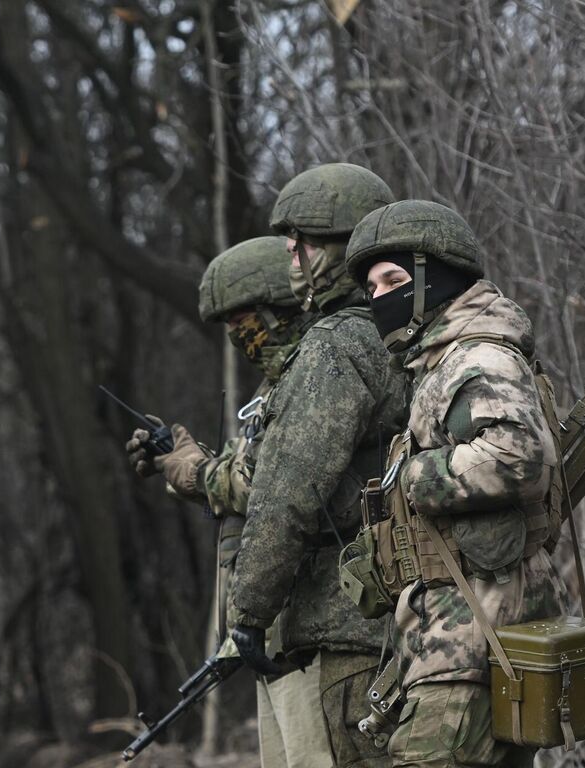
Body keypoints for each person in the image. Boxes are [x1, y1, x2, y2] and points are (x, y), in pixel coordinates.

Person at [341, 200, 570, 768]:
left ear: (434, 279)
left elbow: (518, 456)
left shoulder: (477, 357)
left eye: (393, 280)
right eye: (371, 287)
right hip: (469, 631)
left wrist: (415, 479)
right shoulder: (448, 360)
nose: (379, 300)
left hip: (471, 636)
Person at [222, 163, 406, 768]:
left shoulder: (337, 345)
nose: (291, 256)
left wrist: (247, 611)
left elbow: (287, 492)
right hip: (399, 626)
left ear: (339, 248)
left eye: (302, 240)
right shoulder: (405, 333)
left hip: (344, 632)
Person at [125, 235, 312, 648]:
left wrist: (193, 470)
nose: (236, 334)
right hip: (272, 624)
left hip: (309, 614)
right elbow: (240, 475)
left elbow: (266, 488)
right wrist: (176, 460)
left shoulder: (310, 379)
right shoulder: (269, 389)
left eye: (240, 319)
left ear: (277, 310)